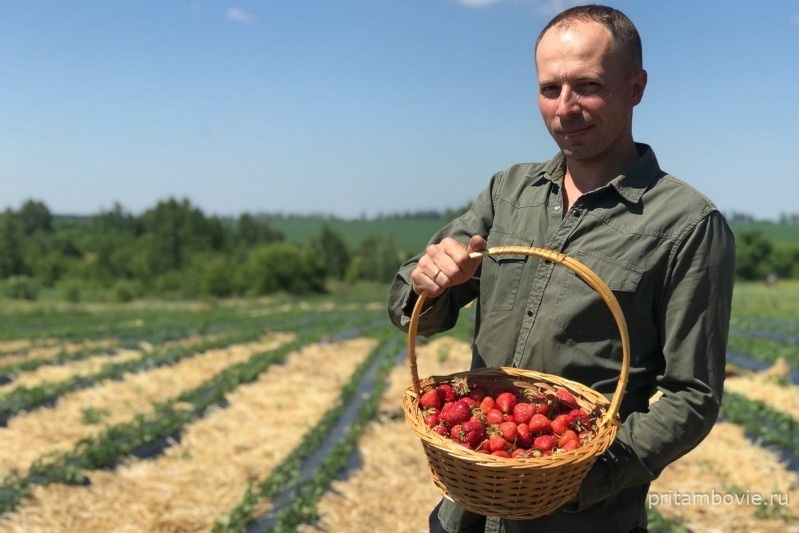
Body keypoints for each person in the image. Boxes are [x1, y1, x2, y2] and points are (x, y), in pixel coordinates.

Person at [387, 4, 736, 533]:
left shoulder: (687, 225)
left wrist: (580, 476)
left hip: (582, 519)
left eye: (588, 86)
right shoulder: (509, 192)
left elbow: (693, 397)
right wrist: (429, 283)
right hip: (465, 509)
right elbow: (410, 308)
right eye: (550, 89)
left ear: (636, 87)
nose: (566, 107)